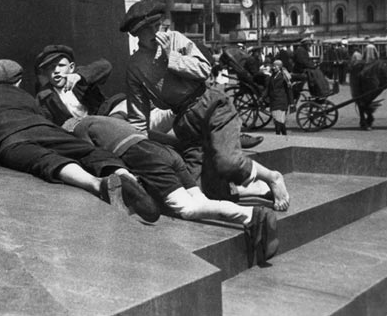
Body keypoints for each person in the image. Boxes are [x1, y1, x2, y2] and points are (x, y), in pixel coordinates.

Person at [33, 45, 279, 265]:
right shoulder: (46, 98)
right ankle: (244, 182)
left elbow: (104, 67)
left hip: (121, 125)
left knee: (187, 207)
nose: (56, 71)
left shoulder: (82, 85)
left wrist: (80, 76)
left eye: (61, 65)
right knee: (194, 186)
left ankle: (249, 212)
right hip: (142, 142)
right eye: (49, 68)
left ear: (72, 66)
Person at [120, 0, 290, 211]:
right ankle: (254, 188)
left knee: (228, 161)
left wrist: (171, 58)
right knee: (196, 189)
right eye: (150, 29)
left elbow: (204, 69)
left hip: (212, 105)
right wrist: (139, 150)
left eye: (158, 25)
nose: (157, 31)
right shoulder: (135, 66)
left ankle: (272, 177)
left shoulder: (174, 40)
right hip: (185, 122)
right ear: (137, 33)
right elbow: (138, 116)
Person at [0, 59, 160, 222]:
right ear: (17, 82)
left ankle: (96, 184)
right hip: (43, 128)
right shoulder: (25, 96)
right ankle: (124, 175)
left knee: (45, 159)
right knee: (84, 150)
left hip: (9, 139)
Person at [264, 60, 293, 136]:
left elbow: (289, 90)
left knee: (278, 120)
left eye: (276, 66)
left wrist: (292, 102)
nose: (274, 67)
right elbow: (268, 88)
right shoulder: (272, 76)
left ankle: (278, 136)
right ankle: (284, 135)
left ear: (279, 67)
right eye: (273, 66)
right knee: (278, 120)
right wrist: (262, 97)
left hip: (281, 100)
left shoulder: (284, 77)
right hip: (273, 101)